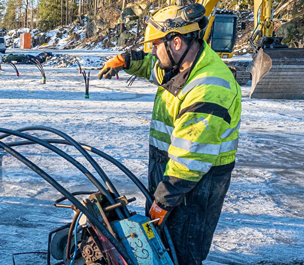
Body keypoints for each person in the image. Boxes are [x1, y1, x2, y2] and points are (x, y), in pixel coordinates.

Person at [98, 4, 241, 264]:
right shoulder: (182, 65)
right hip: (171, 174)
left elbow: (190, 159)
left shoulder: (208, 86)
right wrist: (127, 60)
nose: (152, 51)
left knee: (182, 253)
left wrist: (163, 201)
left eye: (155, 44)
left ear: (175, 42)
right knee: (161, 248)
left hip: (194, 186)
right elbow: (155, 67)